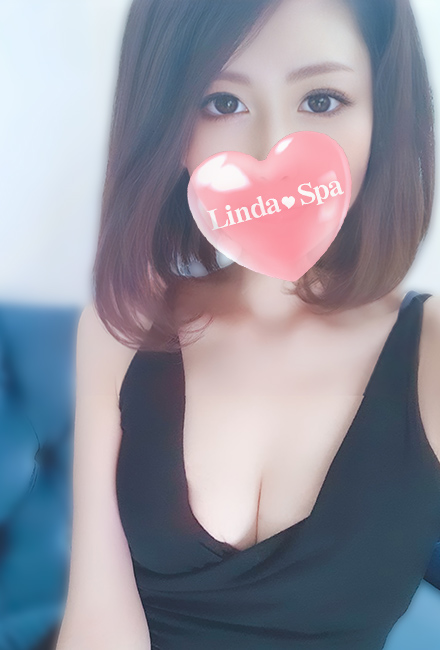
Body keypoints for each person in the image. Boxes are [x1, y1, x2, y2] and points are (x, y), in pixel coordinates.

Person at [56, 0, 440, 648]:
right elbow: (96, 622)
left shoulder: (431, 349)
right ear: (168, 125)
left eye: (321, 100)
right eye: (222, 103)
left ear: (384, 115)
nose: (271, 148)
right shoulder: (123, 326)